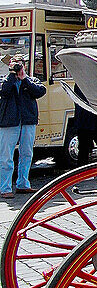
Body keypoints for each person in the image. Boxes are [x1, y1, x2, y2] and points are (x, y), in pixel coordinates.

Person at [0, 58, 47, 198]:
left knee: (26, 153)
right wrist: (11, 75)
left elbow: (39, 92)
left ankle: (23, 184)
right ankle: (5, 188)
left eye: (20, 64)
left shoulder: (31, 80)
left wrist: (24, 79)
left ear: (25, 66)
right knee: (6, 156)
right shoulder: (4, 79)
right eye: (15, 64)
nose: (18, 67)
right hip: (9, 122)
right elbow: (4, 92)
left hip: (28, 121)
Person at [73, 85, 97, 168]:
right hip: (95, 121)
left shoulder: (78, 83)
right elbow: (96, 103)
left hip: (82, 120)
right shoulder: (92, 83)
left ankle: (82, 171)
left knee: (84, 148)